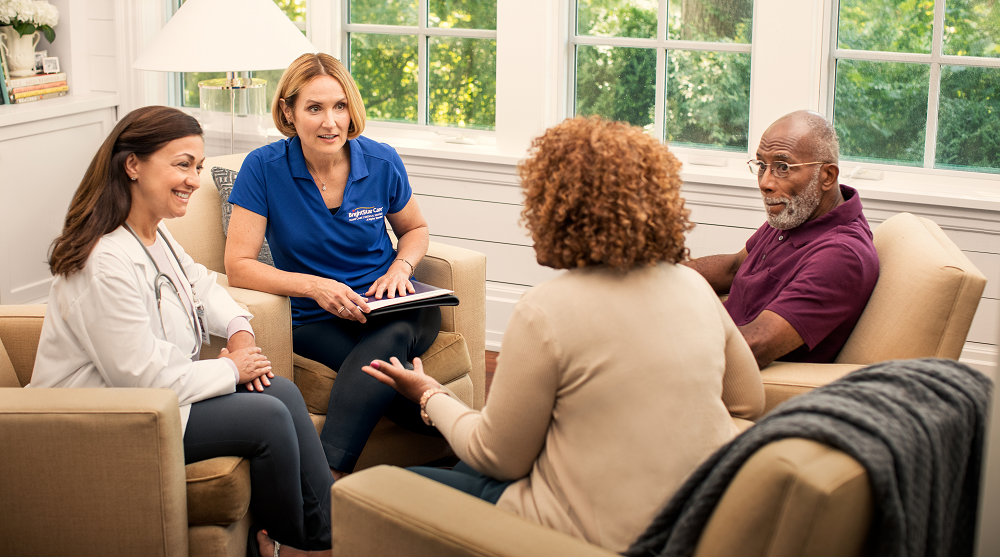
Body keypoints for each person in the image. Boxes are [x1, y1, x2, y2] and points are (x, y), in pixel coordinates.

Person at [351, 116, 765, 555]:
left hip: (589, 535)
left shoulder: (546, 311)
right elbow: (747, 402)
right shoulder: (693, 286)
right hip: (695, 518)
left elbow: (496, 457)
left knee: (376, 492)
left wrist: (430, 395)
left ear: (554, 207)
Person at [29, 106, 333, 556]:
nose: (194, 179)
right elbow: (141, 379)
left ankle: (321, 531)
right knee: (267, 418)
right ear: (132, 164)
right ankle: (305, 542)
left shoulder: (154, 234)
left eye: (199, 167)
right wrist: (230, 369)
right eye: (182, 164)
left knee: (283, 393)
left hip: (159, 398)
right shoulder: (103, 261)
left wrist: (238, 329)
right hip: (106, 417)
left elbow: (201, 285)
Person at [225, 53, 440, 480]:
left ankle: (322, 479)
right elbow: (239, 267)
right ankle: (473, 438)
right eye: (315, 108)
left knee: (394, 331)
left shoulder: (380, 160)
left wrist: (401, 268)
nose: (330, 122)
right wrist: (315, 287)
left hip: (396, 306)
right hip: (316, 317)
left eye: (340, 106)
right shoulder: (263, 169)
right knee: (382, 369)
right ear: (288, 111)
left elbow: (414, 228)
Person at [685, 110, 880, 368]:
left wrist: (662, 339)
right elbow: (734, 267)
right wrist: (656, 272)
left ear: (827, 176)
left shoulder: (840, 255)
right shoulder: (799, 213)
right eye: (761, 166)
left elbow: (754, 346)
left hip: (733, 374)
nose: (765, 182)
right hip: (713, 329)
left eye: (783, 167)